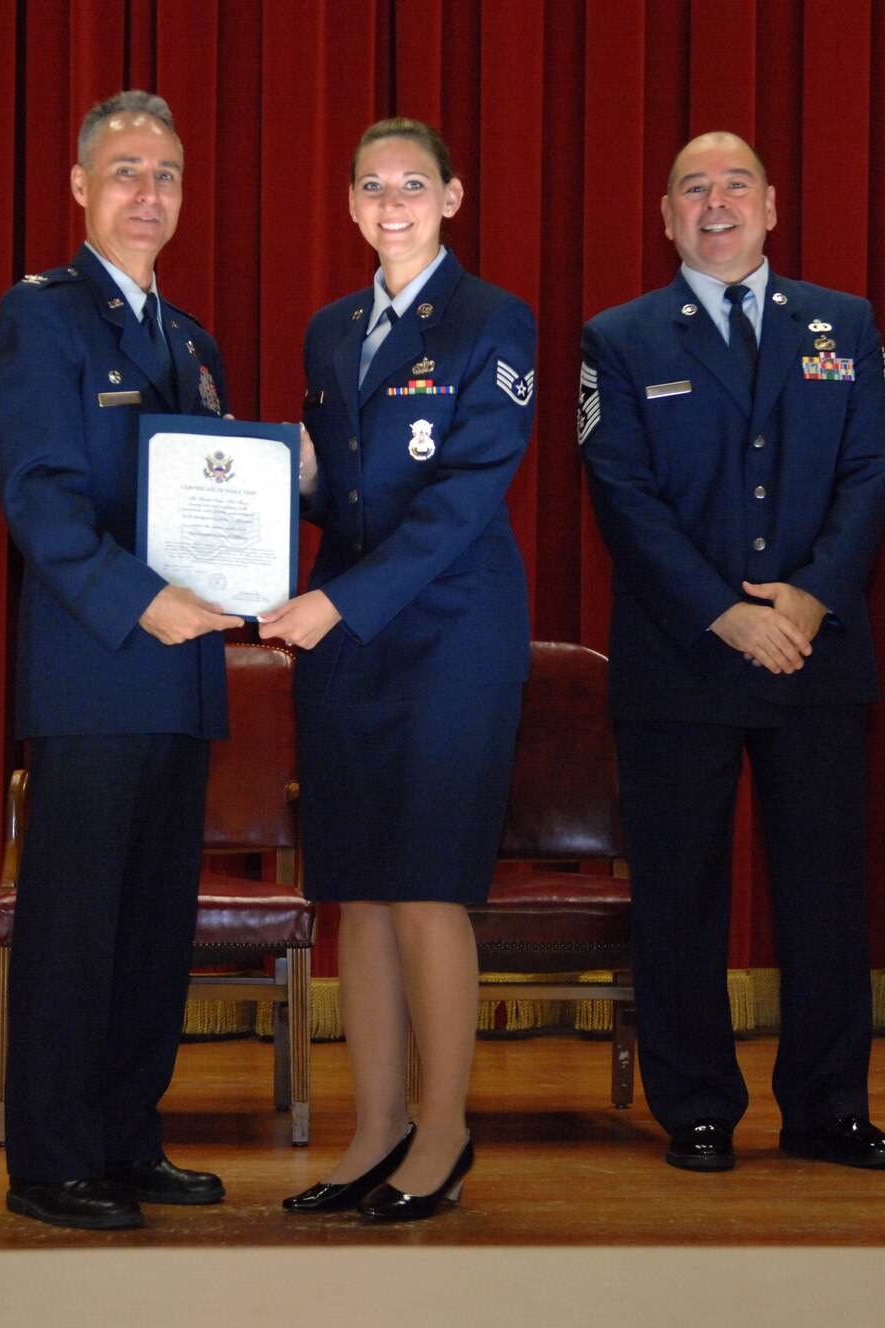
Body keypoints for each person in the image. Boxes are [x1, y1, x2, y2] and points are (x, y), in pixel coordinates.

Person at [578, 132, 885, 1174]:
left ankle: (825, 1104)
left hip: (814, 652)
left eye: (733, 186)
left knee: (823, 891)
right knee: (680, 893)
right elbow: (622, 497)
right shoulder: (618, 338)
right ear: (664, 216)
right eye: (690, 189)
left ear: (770, 204)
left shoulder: (841, 322)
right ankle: (697, 1105)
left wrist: (807, 599)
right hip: (681, 660)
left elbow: (870, 466)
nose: (713, 203)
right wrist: (726, 613)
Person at [258, 118, 536, 1223]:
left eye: (411, 183)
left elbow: (465, 499)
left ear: (452, 197)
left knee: (427, 888)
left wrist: (337, 599)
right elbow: (350, 499)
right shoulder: (332, 332)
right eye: (371, 186)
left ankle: (444, 1129)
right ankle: (373, 1128)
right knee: (355, 895)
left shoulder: (490, 319)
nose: (391, 202)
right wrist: (300, 482)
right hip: (345, 640)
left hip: (449, 638)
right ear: (349, 203)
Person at [0, 91, 242, 1230]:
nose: (149, 191)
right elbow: (39, 504)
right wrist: (149, 603)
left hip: (182, 680)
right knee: (74, 925)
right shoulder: (40, 319)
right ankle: (50, 1157)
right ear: (79, 187)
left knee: (149, 929)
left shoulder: (191, 340)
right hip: (96, 667)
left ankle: (128, 1137)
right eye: (127, 170)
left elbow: (217, 506)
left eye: (169, 173)